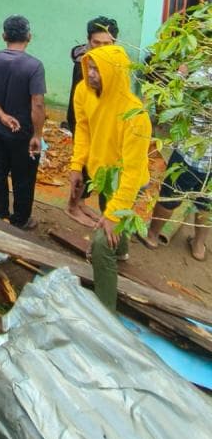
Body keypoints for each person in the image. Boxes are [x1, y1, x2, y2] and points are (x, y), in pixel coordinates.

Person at [69, 44, 151, 312]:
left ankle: (106, 314)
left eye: (97, 69)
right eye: (89, 67)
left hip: (129, 182)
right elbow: (82, 128)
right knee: (106, 210)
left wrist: (116, 216)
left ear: (114, 73)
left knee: (102, 243)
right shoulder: (83, 92)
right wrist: (76, 165)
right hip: (102, 175)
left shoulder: (135, 115)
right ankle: (122, 249)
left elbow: (131, 170)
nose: (90, 74)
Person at [0, 15, 46, 229]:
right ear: (29, 37)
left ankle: (0, 214)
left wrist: (1, 115)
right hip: (23, 133)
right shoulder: (34, 66)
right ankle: (21, 220)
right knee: (23, 178)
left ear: (4, 36)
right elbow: (37, 104)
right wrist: (37, 135)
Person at [141, 66, 211, 261]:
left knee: (170, 196)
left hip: (190, 155)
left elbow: (172, 104)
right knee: (206, 203)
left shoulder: (202, 76)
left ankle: (153, 236)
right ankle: (198, 246)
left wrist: (180, 75)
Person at [65, 16, 119, 227]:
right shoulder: (84, 67)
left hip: (101, 124)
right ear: (88, 42)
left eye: (107, 43)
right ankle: (72, 206)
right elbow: (77, 107)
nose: (101, 48)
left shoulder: (113, 61)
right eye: (97, 43)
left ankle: (81, 203)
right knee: (83, 166)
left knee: (93, 167)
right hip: (84, 124)